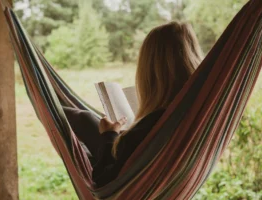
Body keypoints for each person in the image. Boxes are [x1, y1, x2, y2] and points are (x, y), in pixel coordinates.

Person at [63, 21, 203, 188]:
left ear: (151, 70)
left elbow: (102, 181)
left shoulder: (152, 124)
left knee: (80, 118)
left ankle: (57, 108)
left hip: (127, 184)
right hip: (163, 179)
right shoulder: (199, 108)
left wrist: (109, 136)